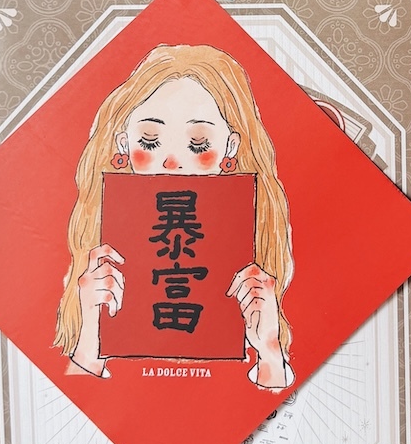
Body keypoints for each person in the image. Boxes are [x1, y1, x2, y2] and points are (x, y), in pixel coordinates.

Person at [52, 44, 294, 388]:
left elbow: (276, 409)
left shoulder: (255, 269)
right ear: (123, 144)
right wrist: (91, 336)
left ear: (230, 148)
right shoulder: (96, 268)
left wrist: (269, 352)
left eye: (199, 144)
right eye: (150, 141)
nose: (171, 161)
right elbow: (74, 405)